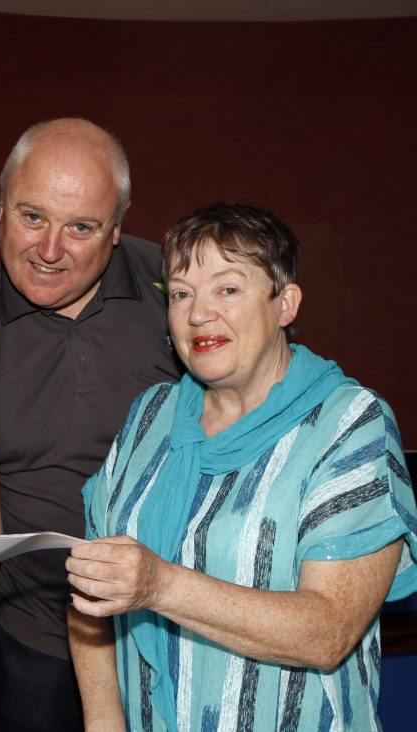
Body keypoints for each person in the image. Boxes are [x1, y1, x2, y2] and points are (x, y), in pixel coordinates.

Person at [67, 202, 417, 730]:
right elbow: (92, 588)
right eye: (182, 293)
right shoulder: (150, 416)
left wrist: (160, 586)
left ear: (286, 304)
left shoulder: (348, 423)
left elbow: (328, 633)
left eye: (227, 289)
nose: (199, 314)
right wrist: (102, 721)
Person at [0, 118, 180, 730]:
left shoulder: (182, 290)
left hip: (181, 627)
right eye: (32, 217)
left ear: (118, 229)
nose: (50, 250)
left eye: (81, 227)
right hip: (36, 639)